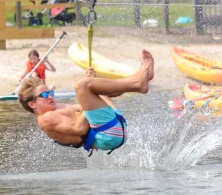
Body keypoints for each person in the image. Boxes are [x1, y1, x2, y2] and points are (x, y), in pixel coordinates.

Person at [17, 49, 155, 155]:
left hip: (115, 125)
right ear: (32, 104)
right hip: (106, 135)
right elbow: (79, 128)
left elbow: (98, 102)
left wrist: (93, 84)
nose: (50, 96)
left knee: (91, 86)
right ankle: (138, 82)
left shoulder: (58, 108)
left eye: (50, 92)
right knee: (81, 86)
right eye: (44, 94)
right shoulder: (45, 119)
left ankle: (142, 78)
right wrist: (86, 90)